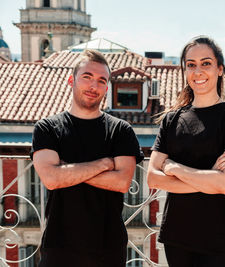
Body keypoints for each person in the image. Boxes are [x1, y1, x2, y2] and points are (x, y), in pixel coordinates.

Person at [147, 36, 225, 267]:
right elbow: (152, 178)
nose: (198, 71)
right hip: (177, 234)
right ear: (185, 70)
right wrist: (209, 177)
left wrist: (174, 168)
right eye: (191, 65)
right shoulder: (171, 120)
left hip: (218, 237)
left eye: (206, 63)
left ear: (219, 69)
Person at [31, 49, 144, 267]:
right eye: (87, 77)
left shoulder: (121, 130)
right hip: (59, 247)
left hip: (108, 248)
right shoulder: (47, 128)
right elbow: (52, 179)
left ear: (107, 88)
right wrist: (104, 164)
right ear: (71, 80)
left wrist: (67, 170)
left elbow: (121, 182)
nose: (94, 86)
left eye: (102, 80)